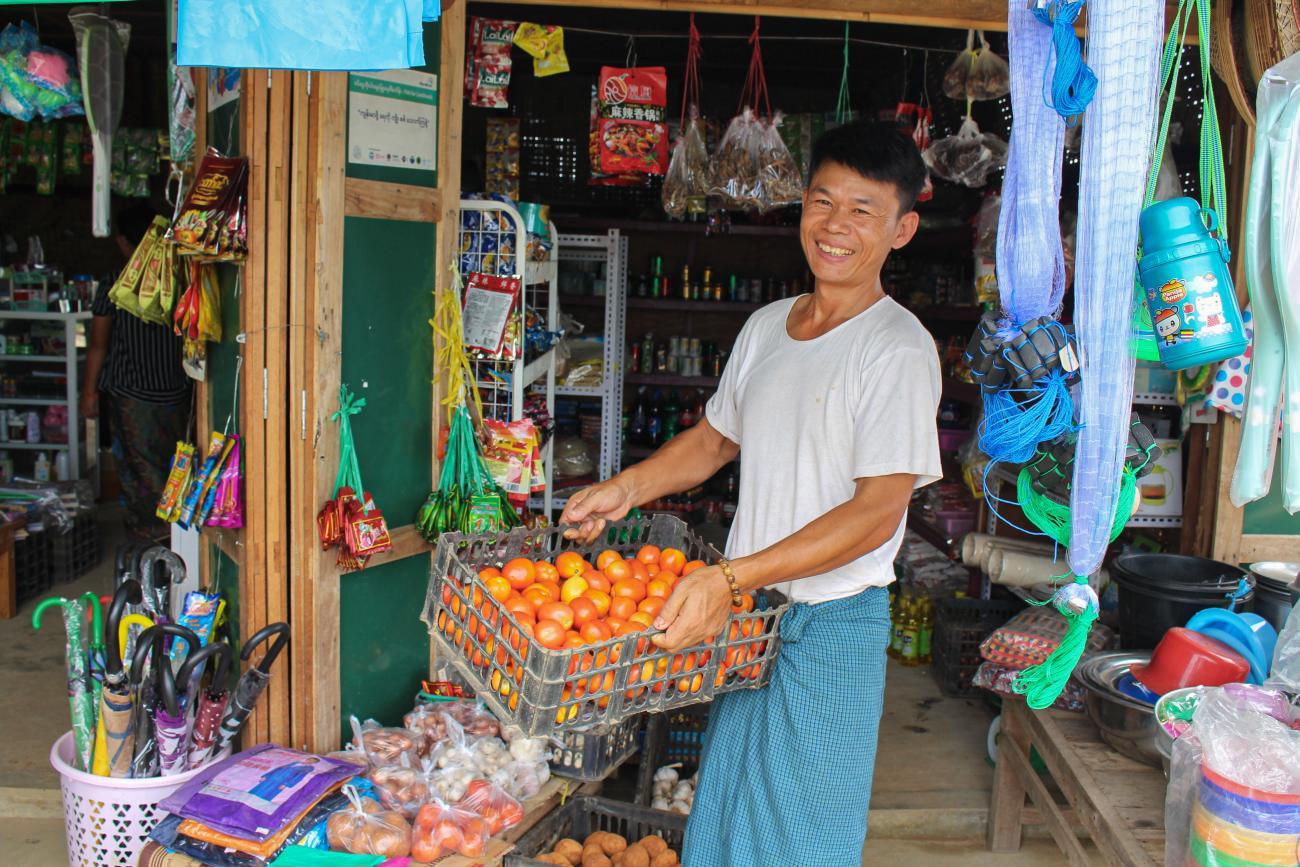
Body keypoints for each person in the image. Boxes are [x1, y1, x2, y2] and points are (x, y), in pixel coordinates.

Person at [560, 121, 941, 866]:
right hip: (751, 617)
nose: (835, 226)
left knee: (802, 839)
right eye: (822, 201)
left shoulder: (896, 349)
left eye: (862, 210)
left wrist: (730, 577)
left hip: (831, 626)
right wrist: (624, 489)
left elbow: (876, 514)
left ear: (902, 229)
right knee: (727, 817)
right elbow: (713, 441)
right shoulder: (768, 327)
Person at [82, 203, 192, 543]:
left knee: (138, 472)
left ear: (123, 241)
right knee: (173, 465)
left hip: (131, 397)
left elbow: (98, 344)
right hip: (176, 393)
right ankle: (177, 536)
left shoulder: (115, 283)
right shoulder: (181, 279)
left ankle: (151, 538)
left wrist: (89, 391)